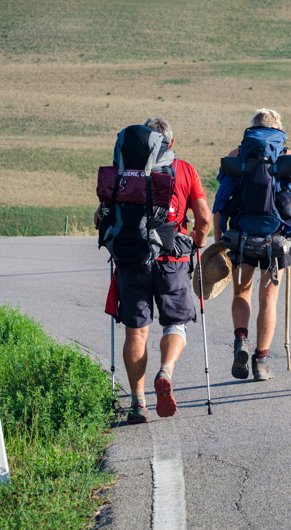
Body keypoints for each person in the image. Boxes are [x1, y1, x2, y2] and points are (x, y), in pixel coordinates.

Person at [96, 117, 212, 423]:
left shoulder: (123, 172)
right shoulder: (184, 169)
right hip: (172, 262)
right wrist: (195, 244)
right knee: (176, 324)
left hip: (132, 259)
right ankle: (166, 370)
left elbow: (101, 217)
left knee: (136, 332)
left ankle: (138, 404)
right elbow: (203, 218)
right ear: (169, 145)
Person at [213, 109, 291, 381]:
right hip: (275, 240)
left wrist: (219, 238)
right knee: (268, 298)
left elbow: (220, 202)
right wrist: (290, 228)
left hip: (241, 236)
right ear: (278, 130)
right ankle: (261, 361)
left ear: (252, 129)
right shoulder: (288, 157)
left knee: (241, 292)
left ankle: (241, 340)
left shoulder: (236, 155)